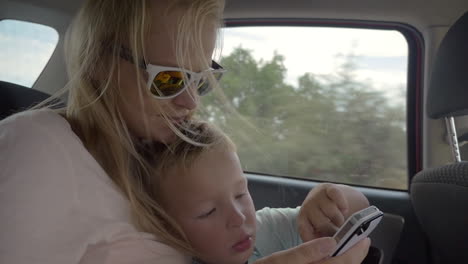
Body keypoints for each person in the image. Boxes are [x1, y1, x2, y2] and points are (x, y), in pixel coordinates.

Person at [0, 0, 370, 263]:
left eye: (200, 78)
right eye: (168, 78)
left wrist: (329, 199)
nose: (191, 102)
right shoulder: (37, 147)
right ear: (98, 61)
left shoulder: (168, 152)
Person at [144, 122, 371, 264]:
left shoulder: (265, 230)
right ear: (166, 226)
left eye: (240, 194)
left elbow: (359, 208)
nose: (239, 218)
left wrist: (327, 198)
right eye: (208, 211)